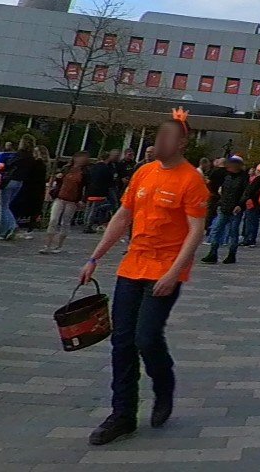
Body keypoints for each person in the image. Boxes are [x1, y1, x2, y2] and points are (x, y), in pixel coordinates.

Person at [77, 111, 209, 446]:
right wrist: (95, 257)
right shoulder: (144, 173)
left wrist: (174, 273)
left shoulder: (191, 180)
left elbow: (196, 231)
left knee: (146, 338)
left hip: (166, 269)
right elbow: (123, 215)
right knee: (122, 341)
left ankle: (163, 385)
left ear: (182, 143)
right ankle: (122, 414)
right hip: (132, 266)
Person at [200, 154, 249, 265]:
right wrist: (220, 201)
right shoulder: (227, 176)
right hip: (224, 207)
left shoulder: (243, 178)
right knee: (216, 229)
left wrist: (240, 205)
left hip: (235, 209)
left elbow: (246, 193)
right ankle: (213, 253)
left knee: (233, 232)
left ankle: (231, 255)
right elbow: (222, 189)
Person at [41, 152, 90, 255]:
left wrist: (83, 200)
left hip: (72, 200)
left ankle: (59, 245)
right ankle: (47, 244)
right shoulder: (66, 168)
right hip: (60, 197)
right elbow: (59, 182)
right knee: (53, 220)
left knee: (65, 222)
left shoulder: (85, 172)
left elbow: (86, 187)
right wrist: (58, 178)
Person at [0, 135, 38, 240]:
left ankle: (10, 227)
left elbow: (9, 164)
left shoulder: (19, 154)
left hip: (10, 180)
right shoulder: (31, 157)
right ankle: (6, 231)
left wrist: (3, 166)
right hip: (20, 182)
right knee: (7, 205)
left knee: (3, 206)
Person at [83, 151, 118, 233]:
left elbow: (87, 179)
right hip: (100, 191)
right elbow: (110, 181)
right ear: (107, 158)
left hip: (90, 191)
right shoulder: (106, 168)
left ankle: (86, 224)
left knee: (89, 209)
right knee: (97, 208)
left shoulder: (92, 167)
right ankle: (89, 225)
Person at [241, 164, 260, 249]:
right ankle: (252, 239)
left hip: (252, 202)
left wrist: (245, 198)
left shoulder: (257, 179)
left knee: (249, 221)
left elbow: (250, 191)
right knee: (255, 222)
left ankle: (248, 240)